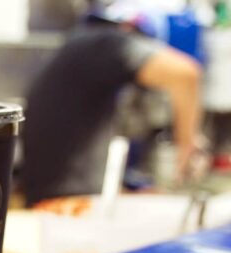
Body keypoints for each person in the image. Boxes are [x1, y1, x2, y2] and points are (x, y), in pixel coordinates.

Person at [22, 2, 203, 206]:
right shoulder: (108, 43)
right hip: (67, 203)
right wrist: (187, 146)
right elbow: (186, 74)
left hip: (55, 193)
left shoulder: (81, 46)